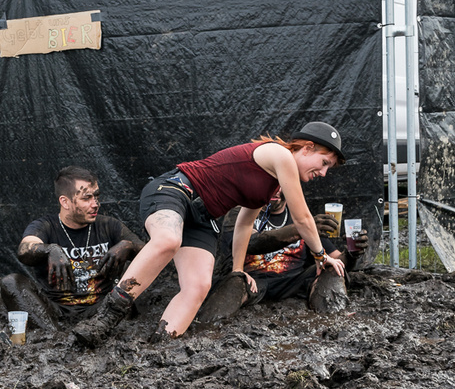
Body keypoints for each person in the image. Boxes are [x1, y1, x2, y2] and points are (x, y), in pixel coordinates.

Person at [74, 122, 347, 347]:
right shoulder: (280, 155)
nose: (322, 173)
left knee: (198, 286)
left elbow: (243, 224)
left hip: (204, 218)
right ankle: (106, 318)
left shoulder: (270, 184)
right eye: (323, 163)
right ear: (307, 148)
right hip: (177, 190)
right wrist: (321, 256)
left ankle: (159, 346)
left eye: (327, 169)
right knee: (168, 240)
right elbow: (302, 218)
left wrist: (238, 271)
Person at [0, 166, 143, 331]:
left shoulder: (108, 225)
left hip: (101, 309)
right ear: (65, 201)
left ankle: (99, 331)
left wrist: (128, 246)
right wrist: (50, 250)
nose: (95, 204)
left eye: (96, 196)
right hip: (54, 310)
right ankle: (52, 337)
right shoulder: (45, 226)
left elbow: (150, 253)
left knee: (128, 291)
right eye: (86, 198)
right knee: (10, 282)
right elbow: (24, 249)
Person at [196, 192, 369, 323]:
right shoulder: (242, 212)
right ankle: (206, 329)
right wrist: (299, 229)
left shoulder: (301, 216)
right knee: (235, 281)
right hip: (252, 280)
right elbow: (253, 243)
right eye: (270, 183)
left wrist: (353, 253)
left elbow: (336, 259)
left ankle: (334, 323)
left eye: (279, 184)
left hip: (293, 281)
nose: (275, 190)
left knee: (333, 269)